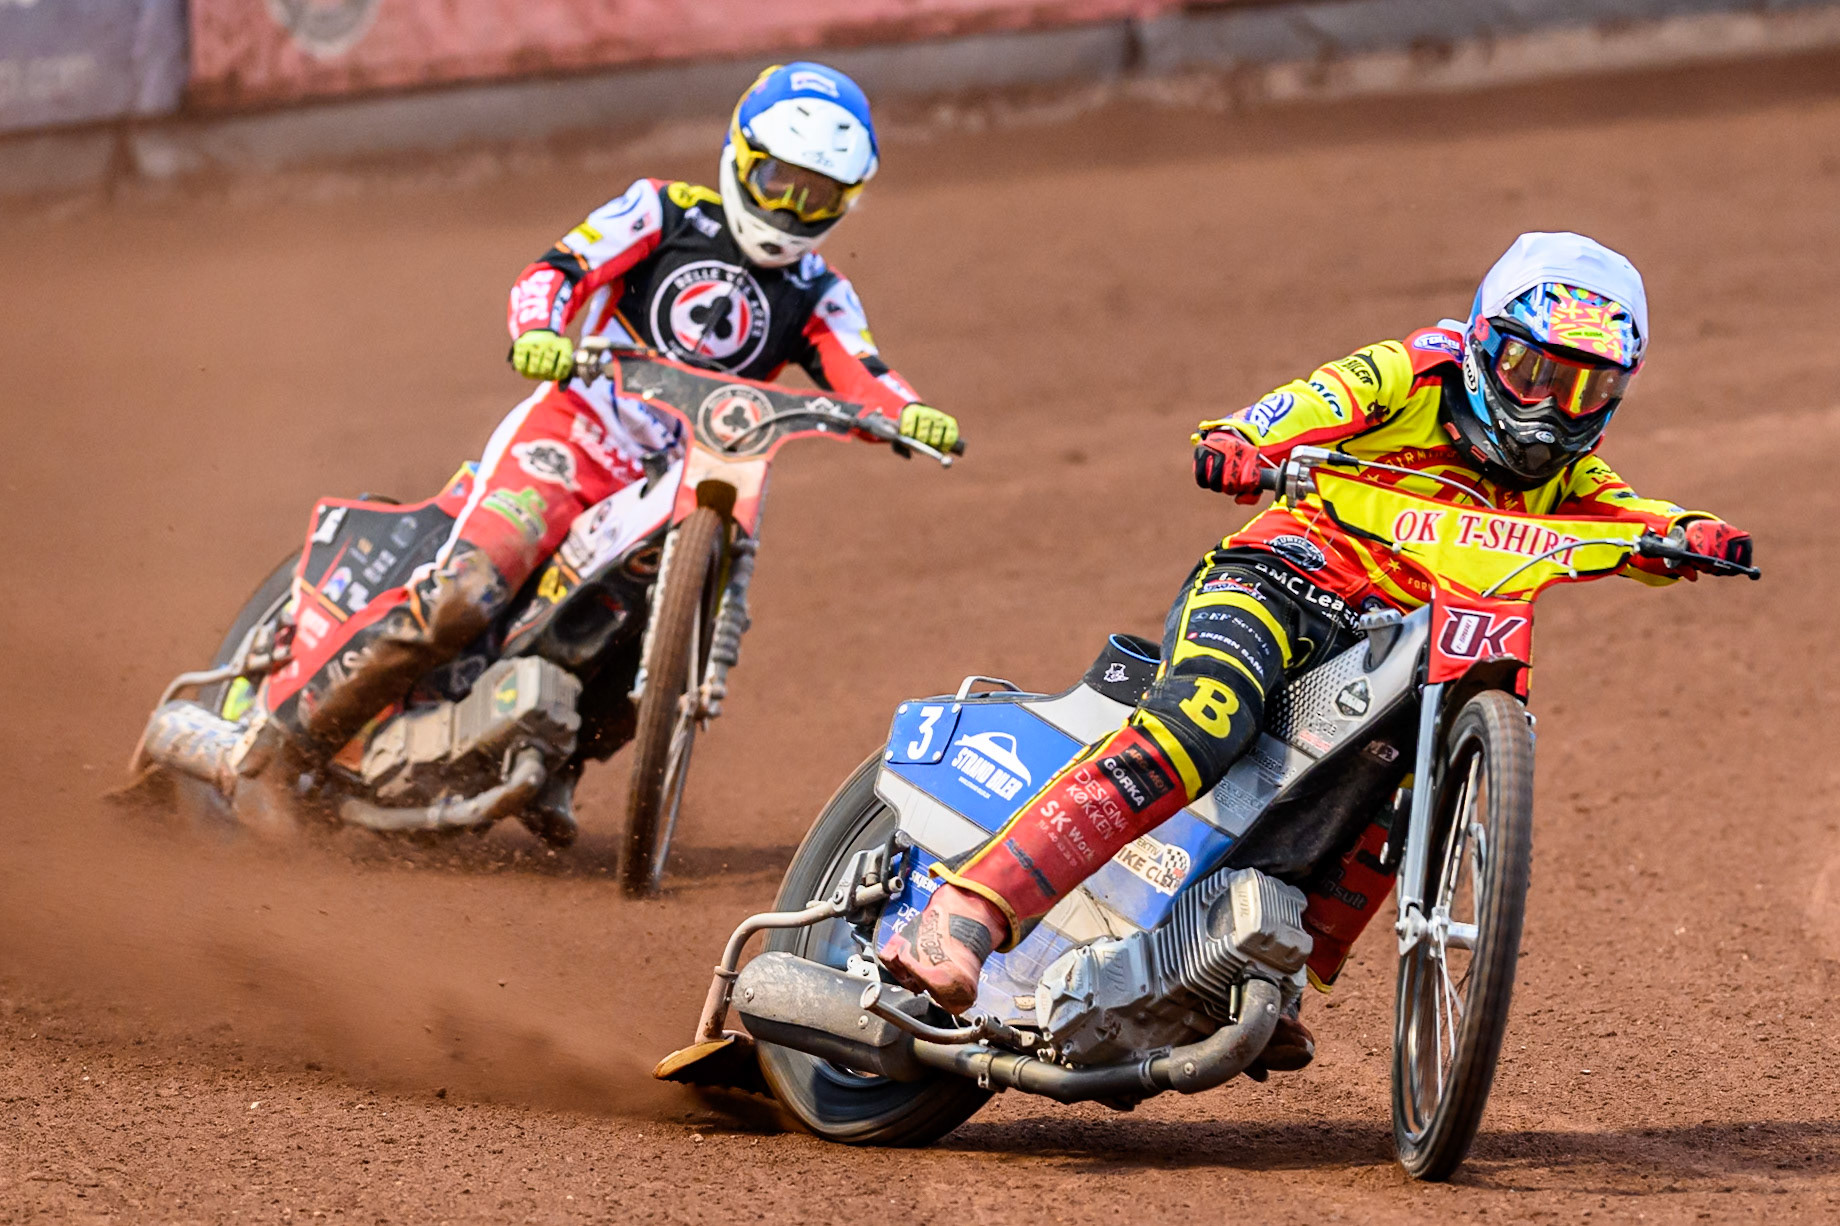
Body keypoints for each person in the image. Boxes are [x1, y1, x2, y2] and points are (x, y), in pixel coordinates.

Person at [879, 231, 1751, 1071]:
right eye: (1533, 371)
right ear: (1486, 343)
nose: (1551, 409)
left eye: (1585, 389)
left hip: (1388, 645)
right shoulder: (1409, 373)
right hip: (1278, 584)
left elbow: (1631, 514)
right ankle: (969, 909)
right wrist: (1244, 442)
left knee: (1402, 776)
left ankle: (1261, 972)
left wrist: (1691, 533)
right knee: (1202, 722)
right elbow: (1306, 404)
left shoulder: (1561, 475)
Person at [248, 62, 959, 778]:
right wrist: (539, 331)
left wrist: (912, 415)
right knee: (465, 592)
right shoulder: (663, 210)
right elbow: (557, 270)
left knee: (661, 641)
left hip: (677, 482)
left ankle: (550, 764)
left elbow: (862, 373)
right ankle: (282, 747)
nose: (792, 210)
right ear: (742, 159)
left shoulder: (819, 292)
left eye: (819, 196)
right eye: (780, 183)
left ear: (848, 201)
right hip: (575, 435)